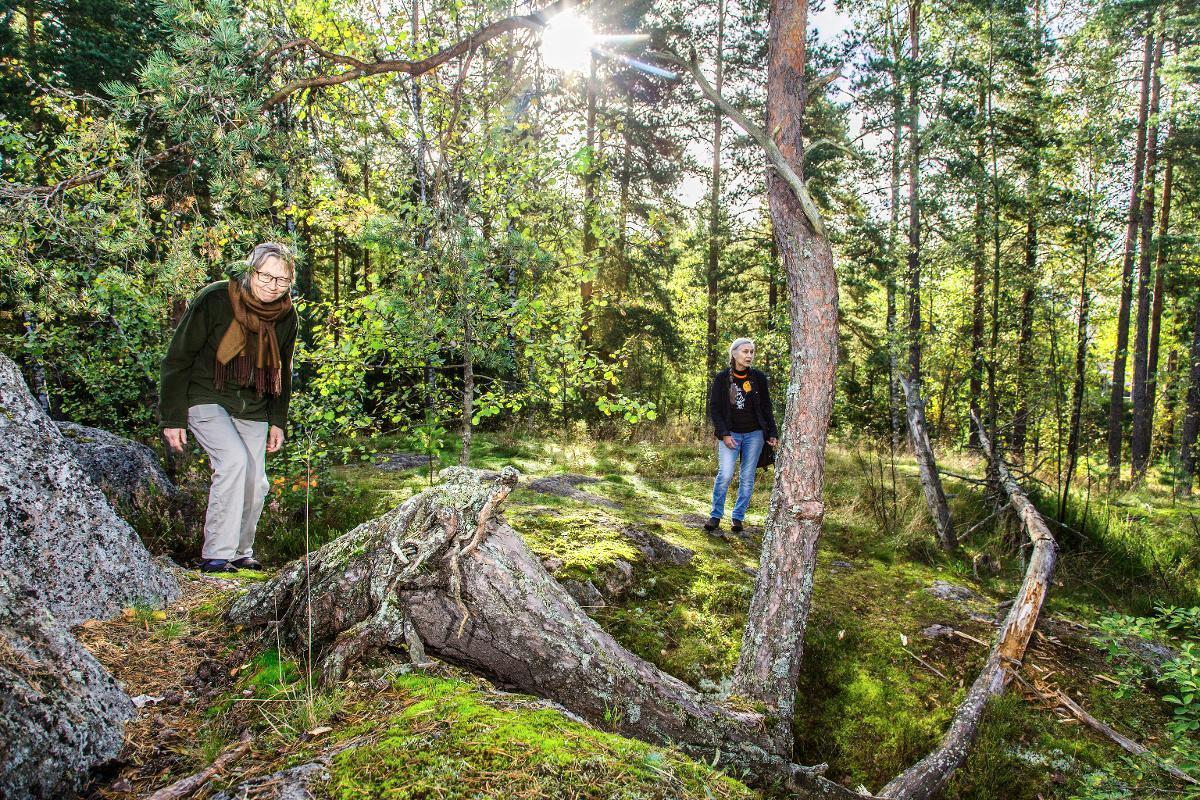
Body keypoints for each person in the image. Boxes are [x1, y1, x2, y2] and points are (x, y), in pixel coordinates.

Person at [159, 243, 298, 573]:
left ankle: (239, 552)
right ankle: (217, 555)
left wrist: (277, 419)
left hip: (253, 404)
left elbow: (282, 371)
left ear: (290, 282)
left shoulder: (287, 315)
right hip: (205, 395)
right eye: (266, 275)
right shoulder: (216, 298)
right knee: (234, 462)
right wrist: (172, 416)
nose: (272, 285)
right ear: (250, 270)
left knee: (256, 481)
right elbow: (177, 358)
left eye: (282, 279)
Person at [704, 337, 778, 534]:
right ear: (734, 354)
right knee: (726, 474)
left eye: (752, 352)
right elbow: (715, 408)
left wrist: (772, 432)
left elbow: (766, 407)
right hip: (731, 434)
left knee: (747, 477)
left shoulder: (758, 378)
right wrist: (724, 434)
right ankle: (715, 515)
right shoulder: (722, 378)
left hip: (754, 435)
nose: (749, 355)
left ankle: (737, 518)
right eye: (745, 351)